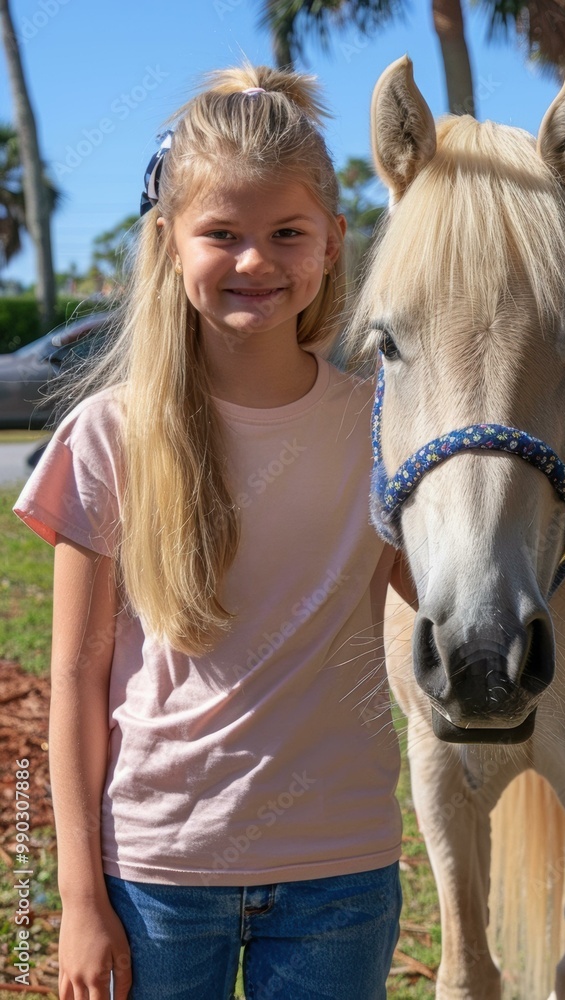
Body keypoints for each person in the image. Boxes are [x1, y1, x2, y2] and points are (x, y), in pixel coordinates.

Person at [14, 63, 414, 1000]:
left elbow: (442, 595)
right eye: (220, 234)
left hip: (340, 868)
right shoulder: (109, 433)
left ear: (331, 243)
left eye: (285, 233)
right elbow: (73, 677)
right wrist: (76, 896)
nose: (253, 260)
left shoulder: (385, 427)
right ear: (166, 242)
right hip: (154, 875)